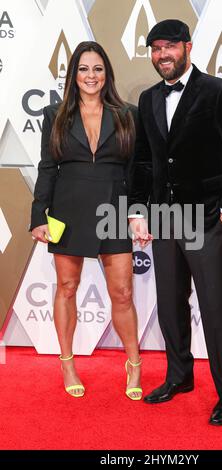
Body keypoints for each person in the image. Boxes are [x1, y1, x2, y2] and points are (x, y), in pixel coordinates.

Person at [129, 20, 222, 424]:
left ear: (187, 47)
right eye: (155, 49)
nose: (162, 55)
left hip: (205, 217)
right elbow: (144, 161)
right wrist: (138, 210)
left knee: (215, 306)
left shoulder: (219, 92)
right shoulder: (149, 99)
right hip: (164, 218)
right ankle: (179, 376)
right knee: (169, 304)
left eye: (169, 46)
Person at [30, 41, 142, 400]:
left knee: (123, 292)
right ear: (73, 74)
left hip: (113, 204)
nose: (90, 76)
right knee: (66, 287)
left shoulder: (128, 114)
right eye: (83, 69)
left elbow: (138, 170)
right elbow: (47, 167)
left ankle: (134, 364)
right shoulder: (55, 115)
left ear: (106, 73)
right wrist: (38, 216)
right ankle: (67, 363)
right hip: (68, 207)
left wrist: (138, 211)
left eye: (97, 69)